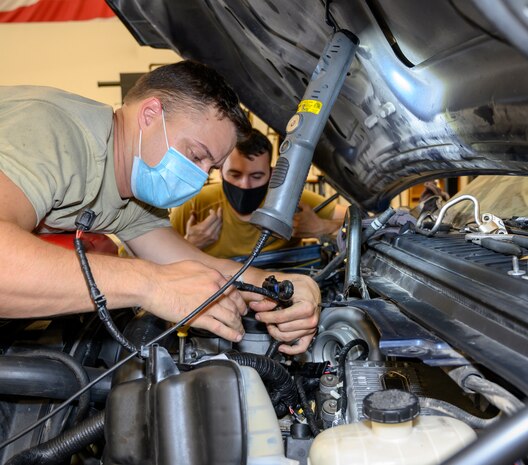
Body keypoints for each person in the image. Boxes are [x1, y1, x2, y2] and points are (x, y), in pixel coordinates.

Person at [0, 60, 319, 355]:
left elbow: (194, 266)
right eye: (196, 155)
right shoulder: (51, 129)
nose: (197, 177)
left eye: (210, 168)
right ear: (150, 115)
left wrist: (277, 287)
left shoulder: (131, 194)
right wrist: (149, 283)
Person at [170, 128, 347, 258]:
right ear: (220, 170)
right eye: (235, 174)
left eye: (256, 176)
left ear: (271, 174)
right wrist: (190, 244)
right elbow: (153, 261)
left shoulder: (290, 200)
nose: (245, 185)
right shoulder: (195, 204)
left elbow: (361, 223)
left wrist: (321, 227)